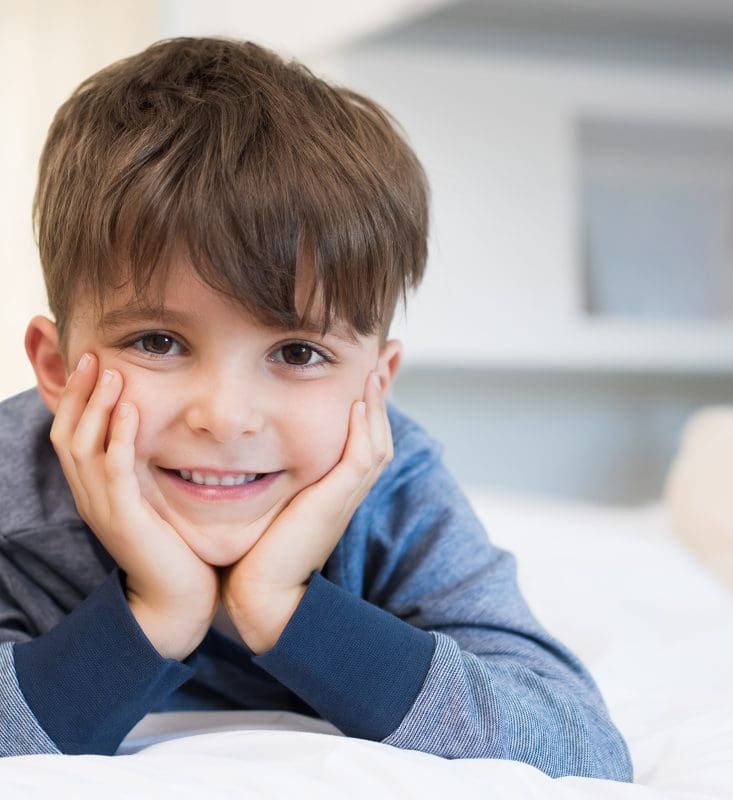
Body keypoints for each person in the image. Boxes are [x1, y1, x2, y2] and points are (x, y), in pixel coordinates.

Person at [0, 36, 632, 779]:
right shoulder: (18, 499)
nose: (227, 417)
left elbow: (582, 750)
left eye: (298, 353)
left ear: (377, 384)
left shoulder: (393, 497)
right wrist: (157, 612)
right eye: (159, 341)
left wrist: (286, 608)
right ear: (55, 366)